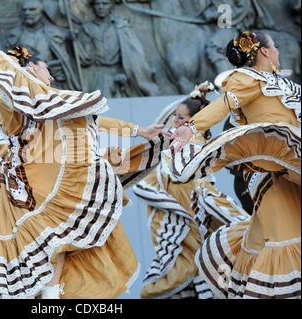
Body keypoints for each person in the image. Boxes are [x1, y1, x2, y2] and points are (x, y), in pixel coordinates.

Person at [0, 0, 170, 299]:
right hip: (25, 187)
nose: (50, 77)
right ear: (29, 67)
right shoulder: (15, 91)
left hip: (41, 181)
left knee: (58, 239)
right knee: (41, 244)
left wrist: (138, 130)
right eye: (45, 69)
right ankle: (42, 296)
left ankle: (51, 297)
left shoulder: (50, 102)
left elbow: (91, 119)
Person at [169, 31, 301, 298]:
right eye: (274, 47)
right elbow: (224, 105)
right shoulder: (247, 78)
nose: (277, 51)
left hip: (291, 164)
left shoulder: (279, 81)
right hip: (271, 170)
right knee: (283, 236)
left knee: (265, 237)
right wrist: (191, 127)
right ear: (264, 52)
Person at [132, 90, 250, 299]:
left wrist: (242, 221)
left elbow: (206, 194)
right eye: (176, 116)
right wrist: (174, 206)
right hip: (179, 228)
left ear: (193, 120)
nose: (175, 121)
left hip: (197, 226)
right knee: (176, 277)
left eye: (181, 117)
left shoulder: (195, 151)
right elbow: (143, 186)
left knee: (192, 277)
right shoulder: (173, 150)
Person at [76, 0, 158, 98]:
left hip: (121, 77)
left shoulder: (121, 26)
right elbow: (85, 59)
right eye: (97, 4)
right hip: (99, 77)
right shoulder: (87, 28)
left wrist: (127, 75)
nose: (101, 7)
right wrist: (75, 42)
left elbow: (134, 56)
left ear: (112, 6)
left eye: (105, 3)